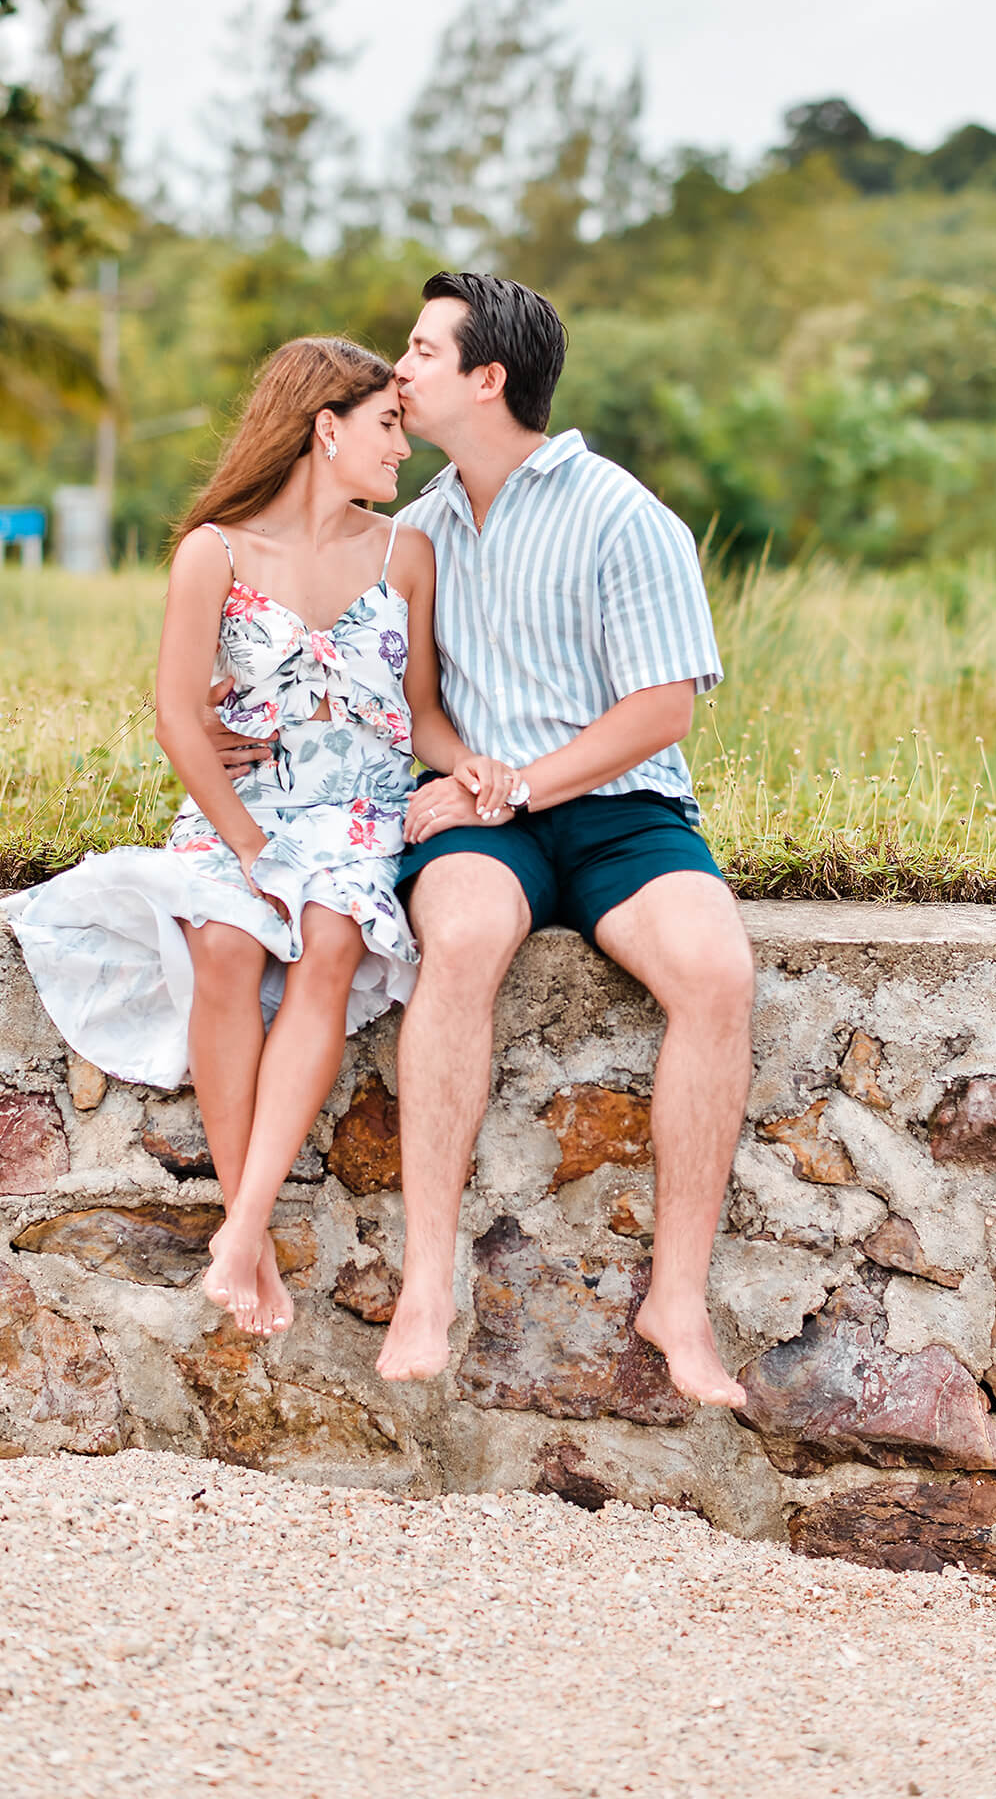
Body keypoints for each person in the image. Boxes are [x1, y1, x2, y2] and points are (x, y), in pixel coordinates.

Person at [215, 278, 755, 1406]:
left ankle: (679, 1296)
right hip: (471, 815)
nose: (396, 373)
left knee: (715, 971)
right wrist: (246, 735)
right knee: (455, 940)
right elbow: (354, 674)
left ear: (485, 378)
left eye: (418, 350)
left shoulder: (622, 514)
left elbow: (661, 710)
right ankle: (426, 1280)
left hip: (618, 807)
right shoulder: (406, 532)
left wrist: (511, 790)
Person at [6, 337, 514, 1337]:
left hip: (360, 812)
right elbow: (174, 719)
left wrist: (468, 765)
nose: (401, 449)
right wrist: (245, 846)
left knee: (331, 934)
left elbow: (421, 712)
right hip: (247, 814)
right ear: (324, 427)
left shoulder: (405, 552)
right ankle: (249, 1233)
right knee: (225, 943)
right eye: (384, 427)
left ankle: (237, 1233)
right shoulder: (216, 550)